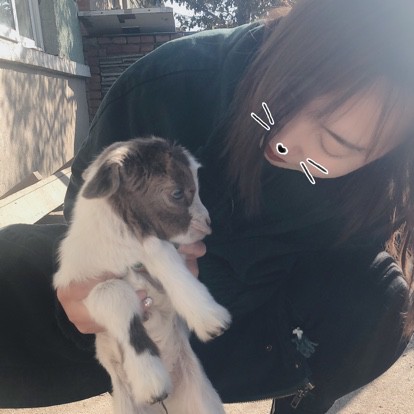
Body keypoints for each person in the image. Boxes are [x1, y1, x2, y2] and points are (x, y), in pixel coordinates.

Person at [1, 0, 413, 412]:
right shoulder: (167, 87)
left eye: (333, 144)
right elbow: (84, 216)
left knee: (379, 302)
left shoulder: (376, 190)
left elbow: (348, 288)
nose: (282, 139)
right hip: (132, 314)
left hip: (251, 324)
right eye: (286, 94)